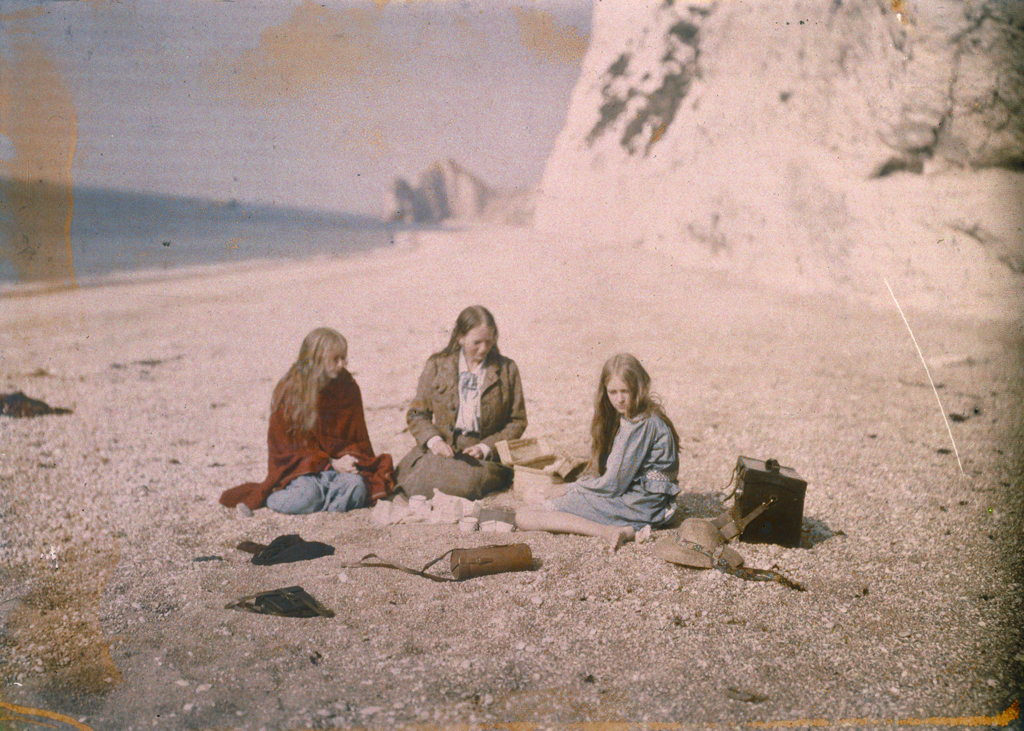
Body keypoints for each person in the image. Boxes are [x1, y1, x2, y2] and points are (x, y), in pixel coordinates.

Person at [218, 328, 394, 514]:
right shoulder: (291, 390)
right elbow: (285, 449)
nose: (342, 364)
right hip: (304, 471)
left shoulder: (347, 386)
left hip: (339, 469)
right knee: (307, 496)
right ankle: (277, 499)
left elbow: (357, 439)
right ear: (316, 358)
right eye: (335, 359)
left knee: (357, 487)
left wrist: (348, 460)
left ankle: (325, 503)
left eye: (344, 358)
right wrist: (330, 463)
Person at [515, 353, 680, 550]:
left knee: (524, 516)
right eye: (613, 392)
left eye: (625, 391)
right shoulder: (643, 416)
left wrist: (570, 488)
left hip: (639, 505)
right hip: (649, 504)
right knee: (534, 499)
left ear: (640, 387)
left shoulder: (641, 425)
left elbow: (612, 485)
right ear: (605, 391)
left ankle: (605, 531)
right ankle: (628, 529)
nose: (619, 399)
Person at [396, 305, 527, 500]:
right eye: (477, 342)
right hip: (442, 451)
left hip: (482, 459)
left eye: (489, 342)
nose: (484, 349)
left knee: (465, 484)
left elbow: (517, 421)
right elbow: (417, 414)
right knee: (412, 477)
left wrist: (485, 448)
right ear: (460, 338)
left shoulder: (507, 369)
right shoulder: (437, 365)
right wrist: (435, 441)